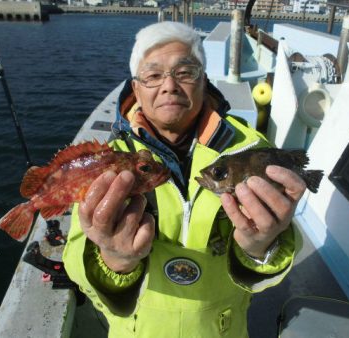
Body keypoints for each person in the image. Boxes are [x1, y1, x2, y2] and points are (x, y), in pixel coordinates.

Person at [63, 21, 306, 338]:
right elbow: (76, 259)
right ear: (135, 88)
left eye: (184, 72)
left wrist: (262, 248)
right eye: (152, 76)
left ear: (204, 81)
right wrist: (113, 260)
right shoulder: (107, 162)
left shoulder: (252, 151)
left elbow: (275, 254)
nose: (169, 86)